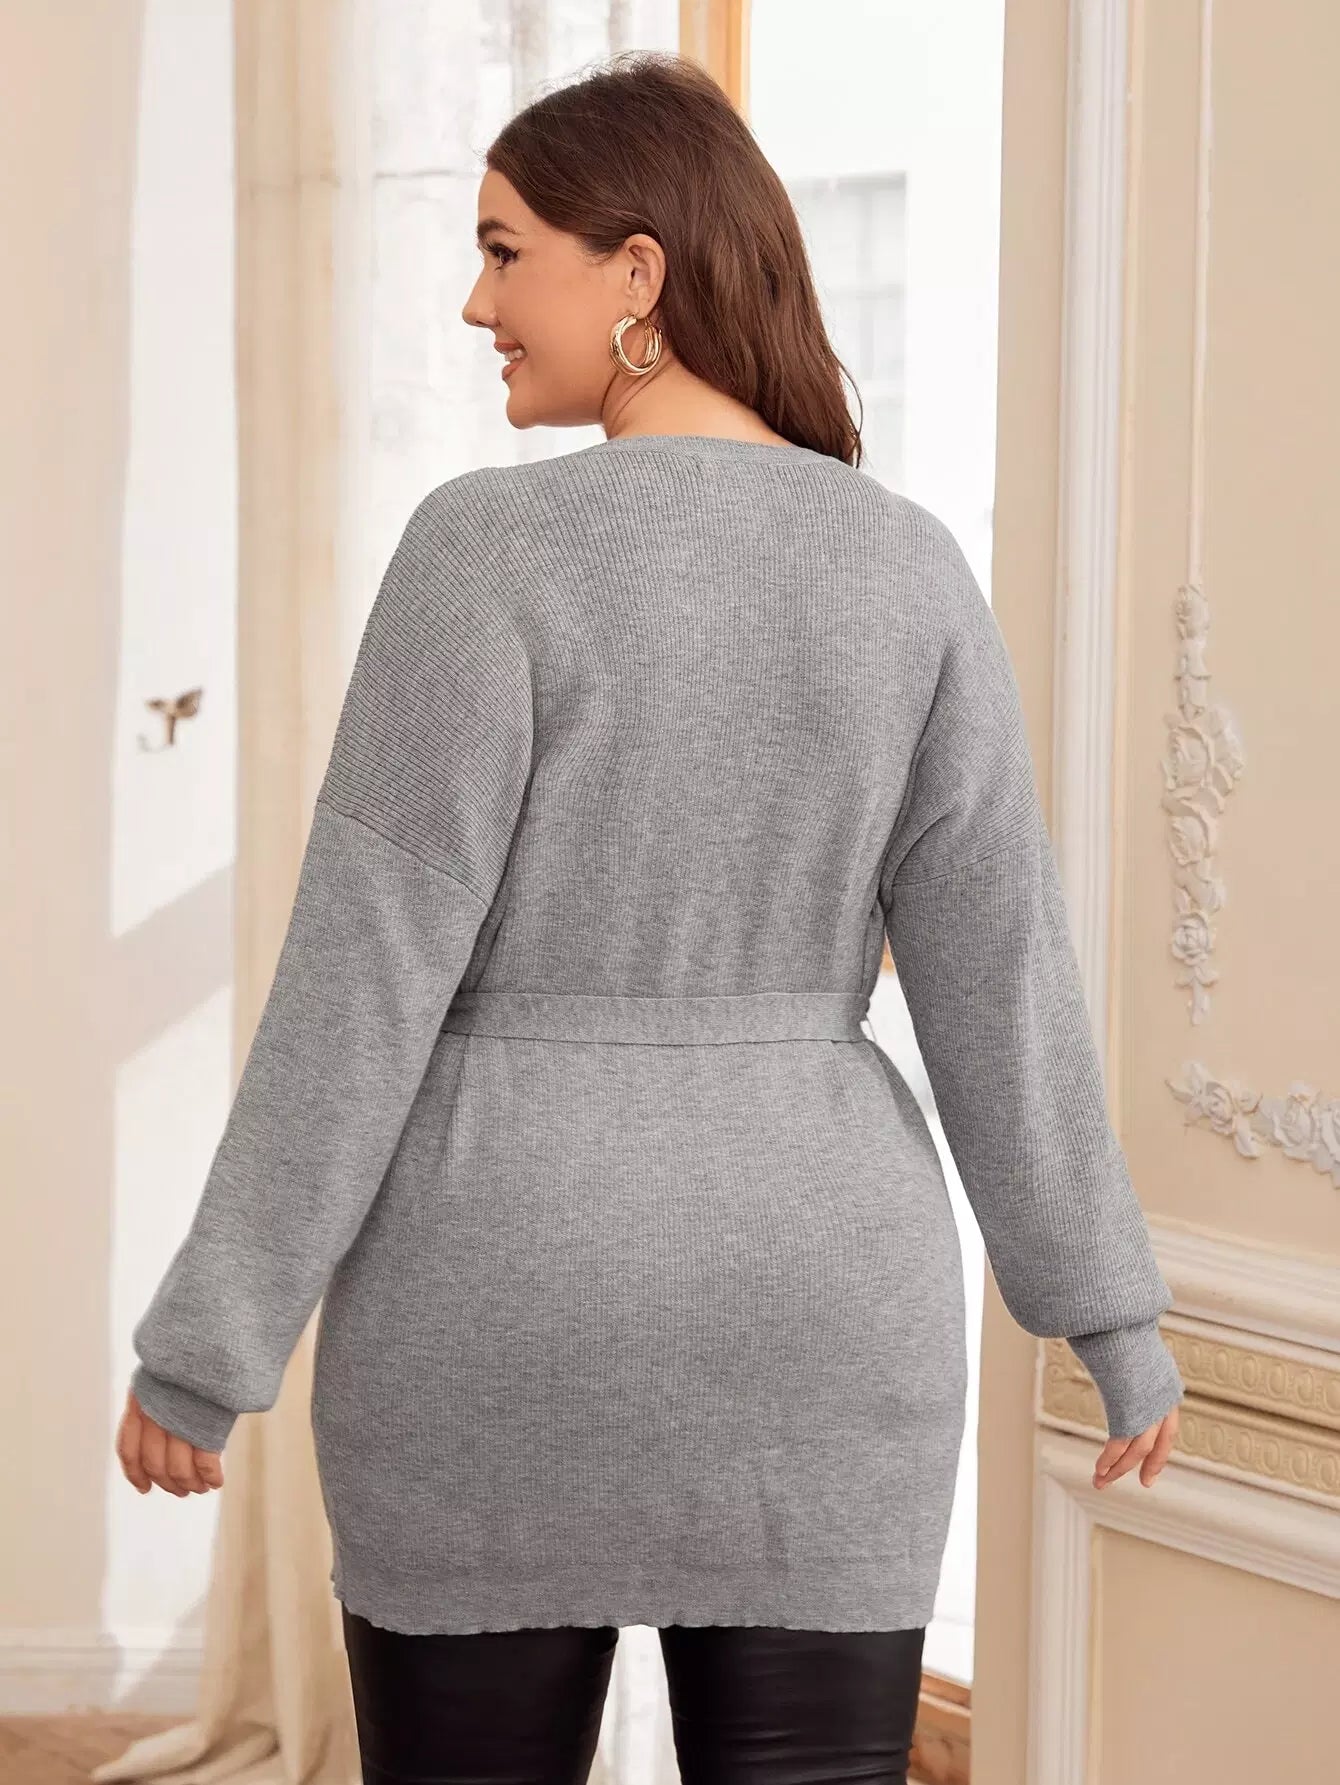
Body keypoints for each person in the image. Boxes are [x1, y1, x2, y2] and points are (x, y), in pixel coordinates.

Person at [114, 49, 1183, 1785]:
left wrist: (203, 1350)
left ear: (638, 270)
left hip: (493, 1309)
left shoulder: (482, 551)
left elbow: (361, 976)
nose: (475, 303)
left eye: (502, 251)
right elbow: (1002, 977)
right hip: (819, 1316)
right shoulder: (904, 566)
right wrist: (1107, 1312)